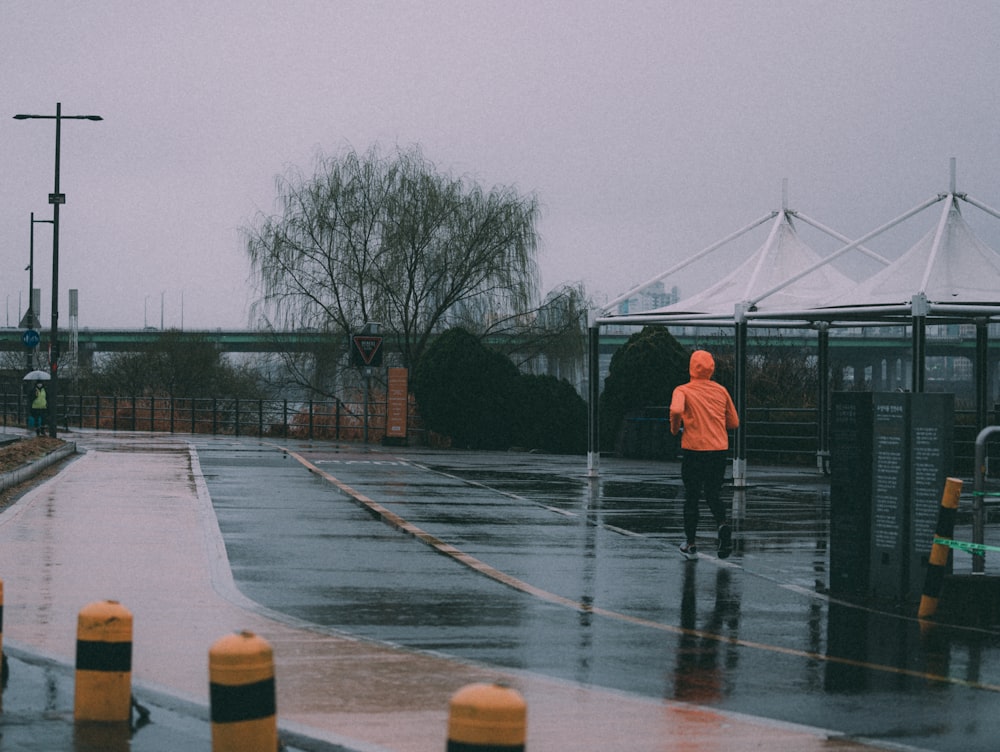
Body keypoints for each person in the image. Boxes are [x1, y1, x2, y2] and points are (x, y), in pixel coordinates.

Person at [669, 350, 739, 560]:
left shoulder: (683, 390)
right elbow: (734, 422)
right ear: (711, 368)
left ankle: (690, 544)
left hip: (693, 450)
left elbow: (675, 410)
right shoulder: (721, 391)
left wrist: (675, 429)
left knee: (691, 497)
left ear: (691, 367)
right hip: (718, 450)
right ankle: (722, 524)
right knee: (712, 493)